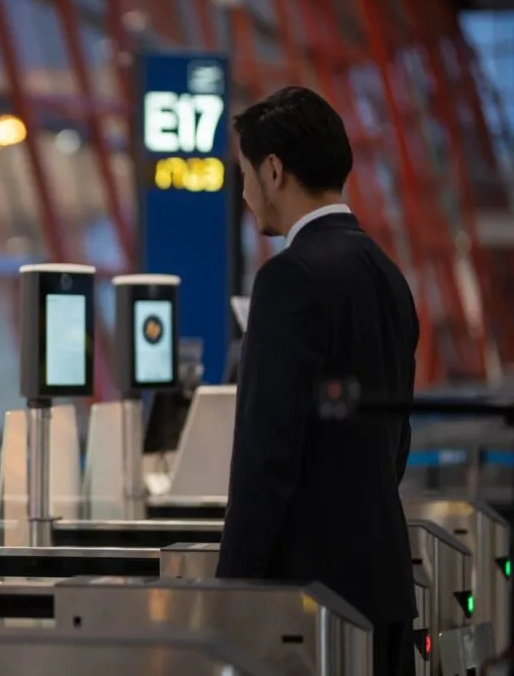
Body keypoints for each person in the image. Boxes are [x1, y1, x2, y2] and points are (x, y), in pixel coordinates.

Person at [214, 87, 419, 676]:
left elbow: (265, 456)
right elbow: (395, 439)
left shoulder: (290, 279)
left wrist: (227, 599)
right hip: (383, 588)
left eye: (245, 173)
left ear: (273, 170)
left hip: (312, 607)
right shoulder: (387, 273)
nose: (246, 192)